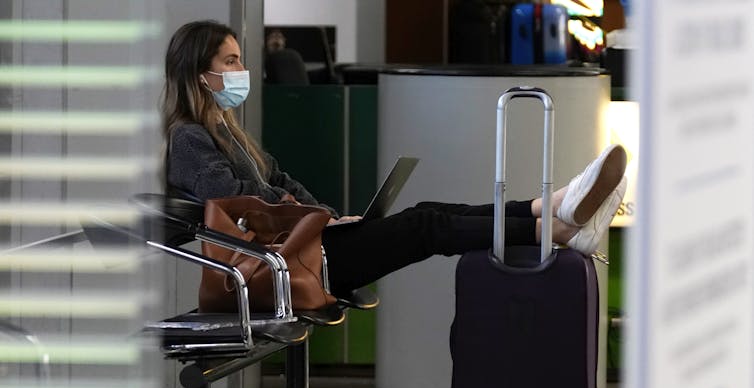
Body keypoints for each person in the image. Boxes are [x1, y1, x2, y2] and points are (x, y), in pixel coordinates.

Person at [162, 20, 627, 297]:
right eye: (229, 61)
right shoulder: (188, 139)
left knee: (431, 214)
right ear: (197, 73)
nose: (239, 70)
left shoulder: (227, 130)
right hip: (286, 265)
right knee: (424, 226)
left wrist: (323, 213)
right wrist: (303, 214)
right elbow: (236, 201)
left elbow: (279, 179)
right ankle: (555, 221)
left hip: (307, 245)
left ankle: (550, 212)